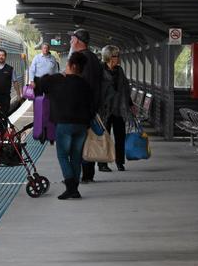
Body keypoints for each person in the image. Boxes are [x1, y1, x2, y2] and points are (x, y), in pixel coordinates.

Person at [37, 52, 92, 199]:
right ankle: (75, 188)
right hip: (81, 126)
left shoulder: (59, 81)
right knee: (76, 156)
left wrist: (59, 74)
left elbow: (41, 83)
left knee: (62, 155)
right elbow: (92, 105)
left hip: (65, 124)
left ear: (73, 66)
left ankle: (71, 186)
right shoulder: (85, 85)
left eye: (67, 64)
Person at [68, 29, 104, 183]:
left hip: (82, 108)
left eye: (72, 38)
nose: (70, 41)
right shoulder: (93, 57)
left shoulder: (82, 58)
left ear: (77, 41)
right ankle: (87, 174)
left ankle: (84, 175)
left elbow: (82, 85)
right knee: (86, 141)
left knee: (79, 143)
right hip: (90, 106)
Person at [98, 45, 134, 172]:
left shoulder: (120, 70)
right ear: (108, 57)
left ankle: (120, 162)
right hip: (104, 109)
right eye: (115, 56)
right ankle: (102, 163)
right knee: (104, 137)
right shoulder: (100, 70)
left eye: (118, 55)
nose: (118, 58)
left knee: (120, 136)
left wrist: (130, 104)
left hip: (119, 108)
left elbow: (125, 89)